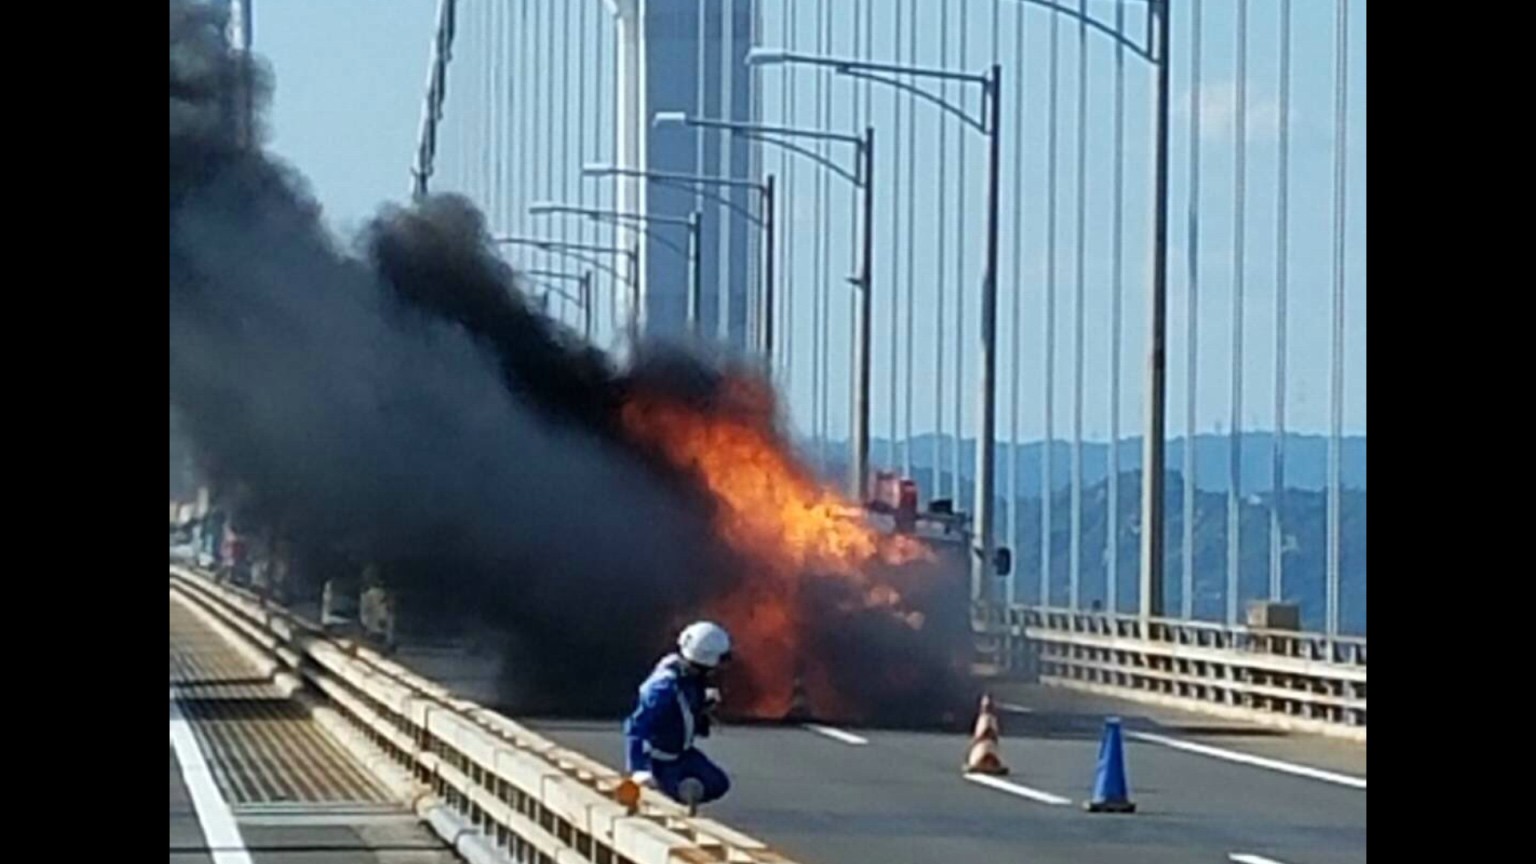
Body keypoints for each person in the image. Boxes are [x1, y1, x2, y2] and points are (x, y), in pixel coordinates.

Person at [623, 621, 733, 808]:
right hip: (659, 761)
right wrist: (639, 768)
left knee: (718, 783)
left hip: (682, 754)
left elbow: (687, 703)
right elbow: (636, 726)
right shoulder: (664, 687)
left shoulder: (690, 676)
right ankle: (667, 790)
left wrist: (703, 704)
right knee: (672, 788)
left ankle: (682, 790)